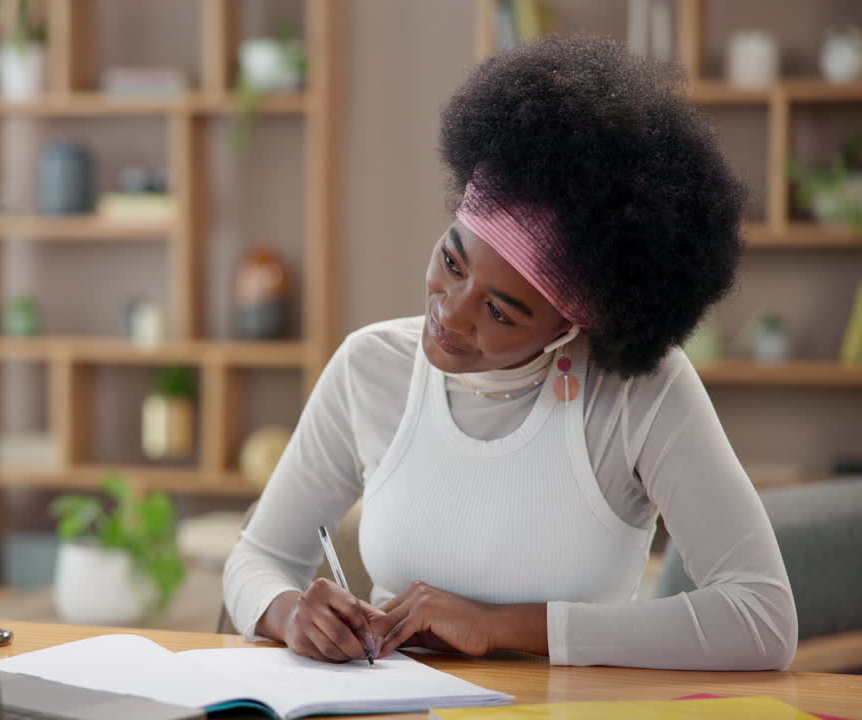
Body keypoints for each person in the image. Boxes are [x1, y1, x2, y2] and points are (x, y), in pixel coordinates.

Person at [222, 35, 797, 671]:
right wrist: (288, 611)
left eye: (500, 311)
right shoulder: (369, 367)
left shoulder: (640, 393)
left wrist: (502, 627)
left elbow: (762, 619)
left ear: (574, 323)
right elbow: (257, 558)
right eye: (451, 260)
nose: (451, 310)